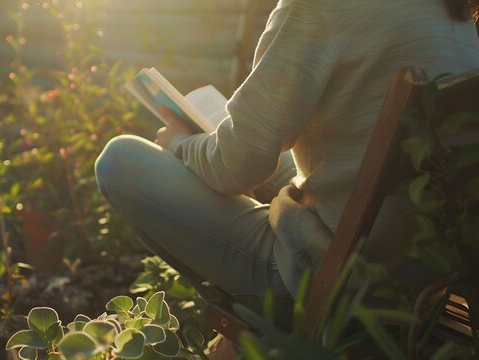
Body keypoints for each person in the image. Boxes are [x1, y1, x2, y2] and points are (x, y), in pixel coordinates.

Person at [95, 0, 479, 347]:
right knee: (272, 160)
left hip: (332, 281)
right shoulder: (451, 14)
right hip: (421, 270)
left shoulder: (317, 9)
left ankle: (256, 331)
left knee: (120, 161)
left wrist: (181, 143)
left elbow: (234, 169)